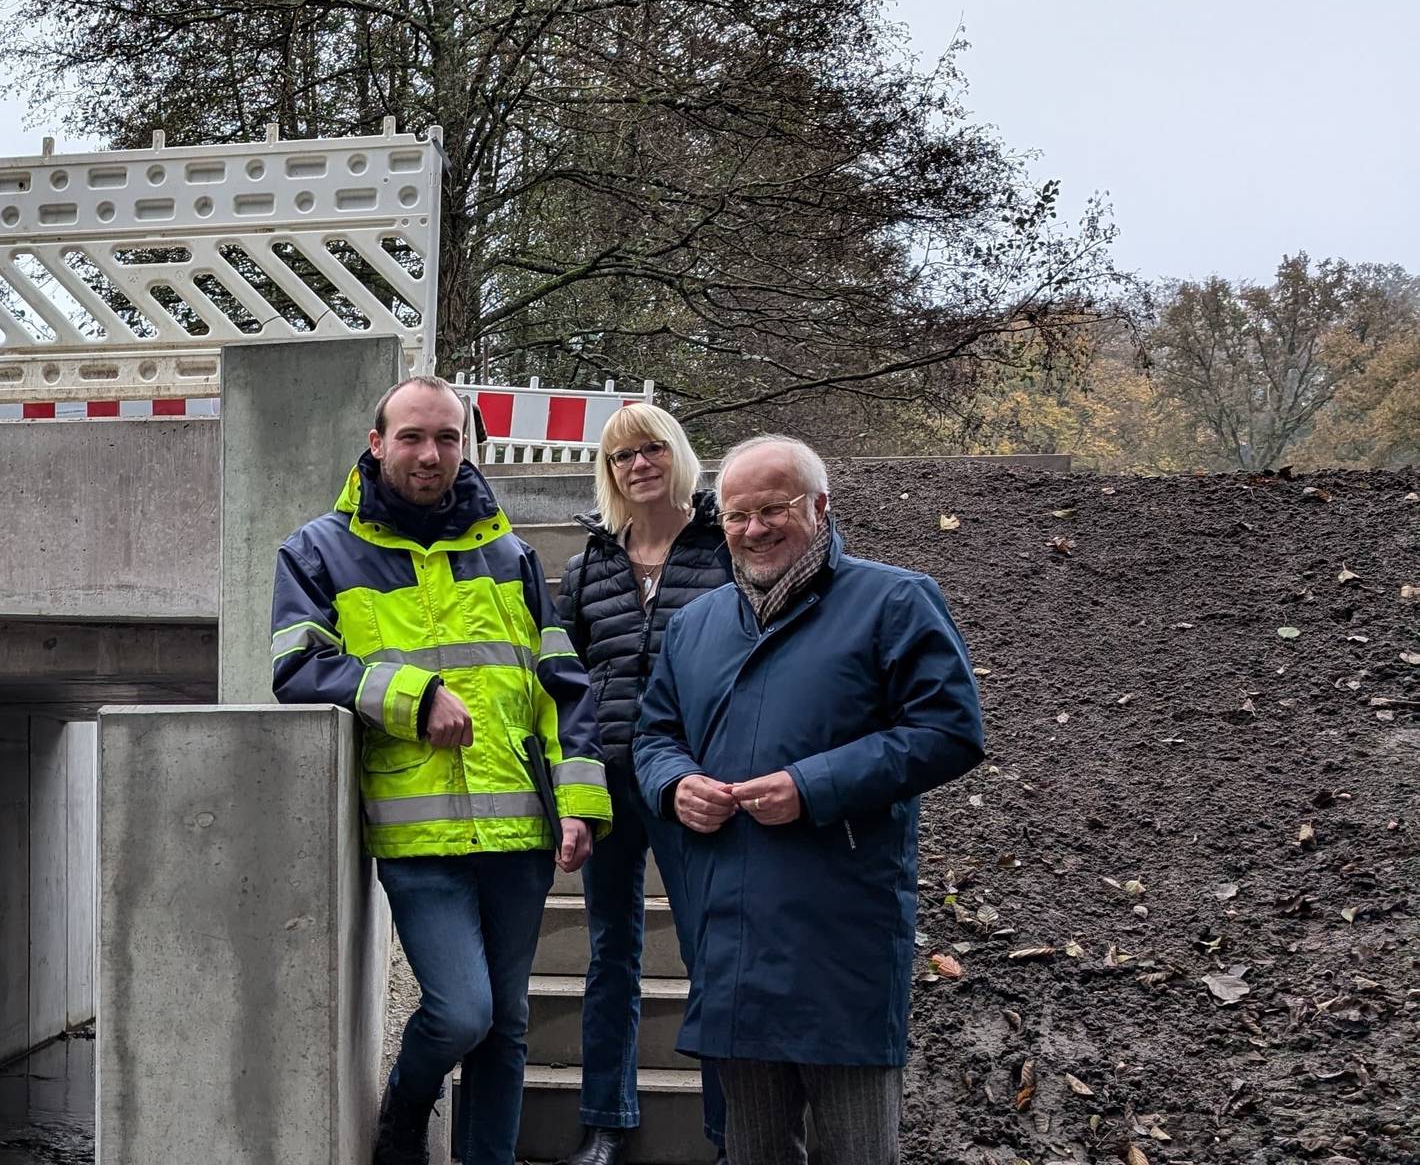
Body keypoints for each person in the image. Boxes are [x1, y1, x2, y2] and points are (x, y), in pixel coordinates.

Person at [271, 376, 614, 1165]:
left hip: (520, 833)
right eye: (414, 437)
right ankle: (406, 1110)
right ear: (377, 443)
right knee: (463, 1013)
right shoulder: (318, 550)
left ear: (466, 446)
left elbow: (562, 687)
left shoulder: (512, 554)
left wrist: (578, 805)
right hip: (417, 834)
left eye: (449, 439)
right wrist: (411, 695)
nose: (432, 454)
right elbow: (295, 667)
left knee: (509, 1023)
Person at [632, 436, 987, 1164]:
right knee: (752, 1152)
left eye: (774, 509)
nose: (754, 529)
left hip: (840, 939)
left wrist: (812, 786)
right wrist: (674, 785)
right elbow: (653, 734)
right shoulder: (694, 626)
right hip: (728, 936)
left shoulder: (894, 600)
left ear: (820, 507)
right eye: (737, 515)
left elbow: (951, 730)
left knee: (858, 1151)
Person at [555, 403, 733, 1165]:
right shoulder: (591, 562)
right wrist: (572, 788)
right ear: (610, 470)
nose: (639, 465)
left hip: (696, 779)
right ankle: (606, 1122)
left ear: (678, 454)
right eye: (623, 455)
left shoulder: (725, 545)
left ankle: (733, 1131)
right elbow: (564, 683)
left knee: (712, 955)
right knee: (611, 954)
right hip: (611, 786)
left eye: (652, 448)